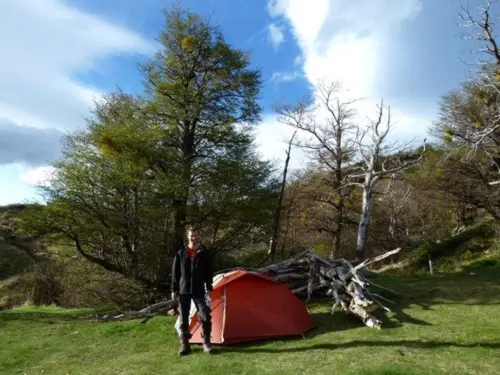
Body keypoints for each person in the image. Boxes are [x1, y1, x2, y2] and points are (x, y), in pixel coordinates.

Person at [171, 225, 213, 356]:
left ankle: (206, 342)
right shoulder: (180, 253)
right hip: (184, 290)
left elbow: (208, 272)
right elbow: (175, 274)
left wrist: (209, 286)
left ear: (199, 236)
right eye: (191, 235)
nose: (194, 238)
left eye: (196, 235)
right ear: (187, 236)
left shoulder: (204, 253)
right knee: (183, 318)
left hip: (199, 290)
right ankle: (184, 344)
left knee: (205, 314)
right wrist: (174, 291)